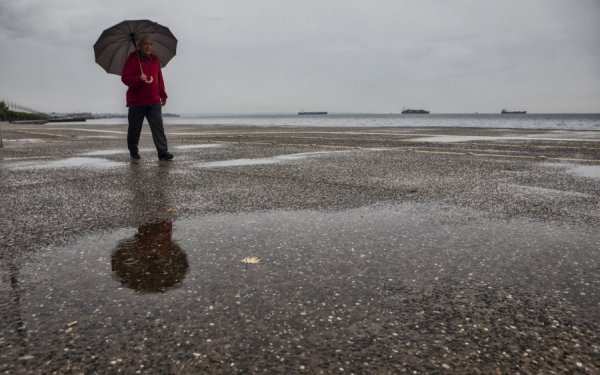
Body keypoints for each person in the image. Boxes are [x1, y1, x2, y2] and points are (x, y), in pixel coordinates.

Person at [121, 35, 173, 161]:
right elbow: (125, 78)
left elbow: (159, 79)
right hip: (136, 102)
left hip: (153, 101)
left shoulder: (155, 60)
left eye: (150, 44)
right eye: (145, 44)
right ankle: (133, 152)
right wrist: (138, 78)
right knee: (134, 129)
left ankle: (162, 153)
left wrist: (163, 94)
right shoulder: (133, 59)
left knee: (158, 128)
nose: (148, 46)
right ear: (140, 45)